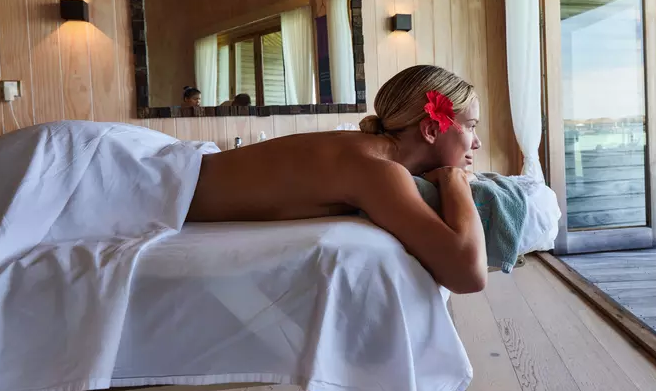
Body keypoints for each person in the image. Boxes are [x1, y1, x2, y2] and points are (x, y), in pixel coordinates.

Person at [186, 65, 487, 294]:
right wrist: (456, 181)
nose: (477, 143)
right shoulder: (378, 170)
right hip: (166, 185)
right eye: (471, 127)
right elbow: (468, 274)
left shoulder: (365, 149)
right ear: (431, 130)